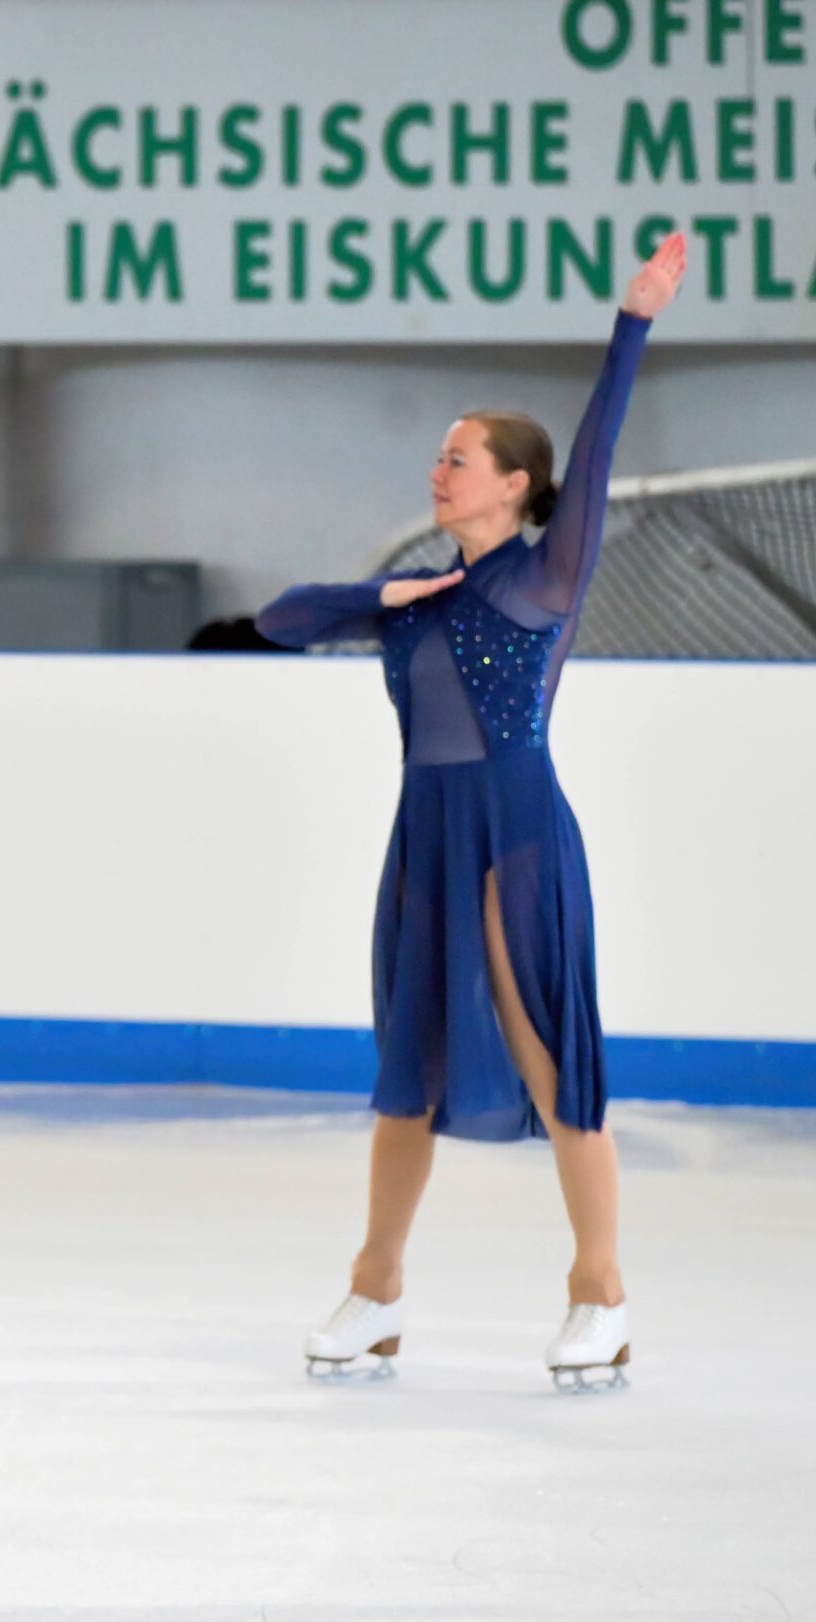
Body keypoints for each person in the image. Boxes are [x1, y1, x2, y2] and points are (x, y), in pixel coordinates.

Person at [258, 234, 690, 1392]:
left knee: (551, 1065)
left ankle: (599, 1291)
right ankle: (375, 1290)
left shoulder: (545, 576)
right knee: (408, 1069)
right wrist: (386, 589)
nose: (437, 472)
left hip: (515, 838)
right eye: (437, 457)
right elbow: (281, 618)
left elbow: (596, 453)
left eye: (458, 459)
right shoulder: (416, 599)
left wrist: (632, 322)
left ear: (514, 483)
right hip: (425, 840)